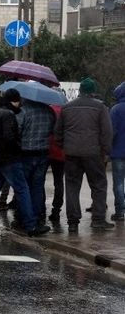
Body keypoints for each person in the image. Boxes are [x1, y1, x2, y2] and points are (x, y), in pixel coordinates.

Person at [0, 88, 46, 237]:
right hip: (9, 160)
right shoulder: (8, 115)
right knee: (22, 189)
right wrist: (18, 149)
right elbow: (10, 138)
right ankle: (31, 225)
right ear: (15, 100)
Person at [56, 77, 114, 231]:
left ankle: (73, 222)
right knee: (99, 185)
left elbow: (58, 132)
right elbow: (107, 133)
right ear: (93, 92)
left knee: (72, 186)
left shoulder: (67, 107)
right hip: (93, 153)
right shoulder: (101, 108)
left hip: (71, 153)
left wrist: (64, 146)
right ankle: (98, 219)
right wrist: (106, 151)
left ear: (80, 91)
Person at [16, 96, 56, 231]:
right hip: (43, 153)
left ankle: (23, 218)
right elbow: (53, 131)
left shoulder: (23, 111)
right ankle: (38, 217)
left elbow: (17, 130)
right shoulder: (49, 111)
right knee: (37, 187)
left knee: (23, 187)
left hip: (25, 153)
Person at [110, 82, 125, 221]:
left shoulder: (115, 110)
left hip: (118, 153)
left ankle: (120, 212)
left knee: (119, 183)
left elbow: (111, 132)